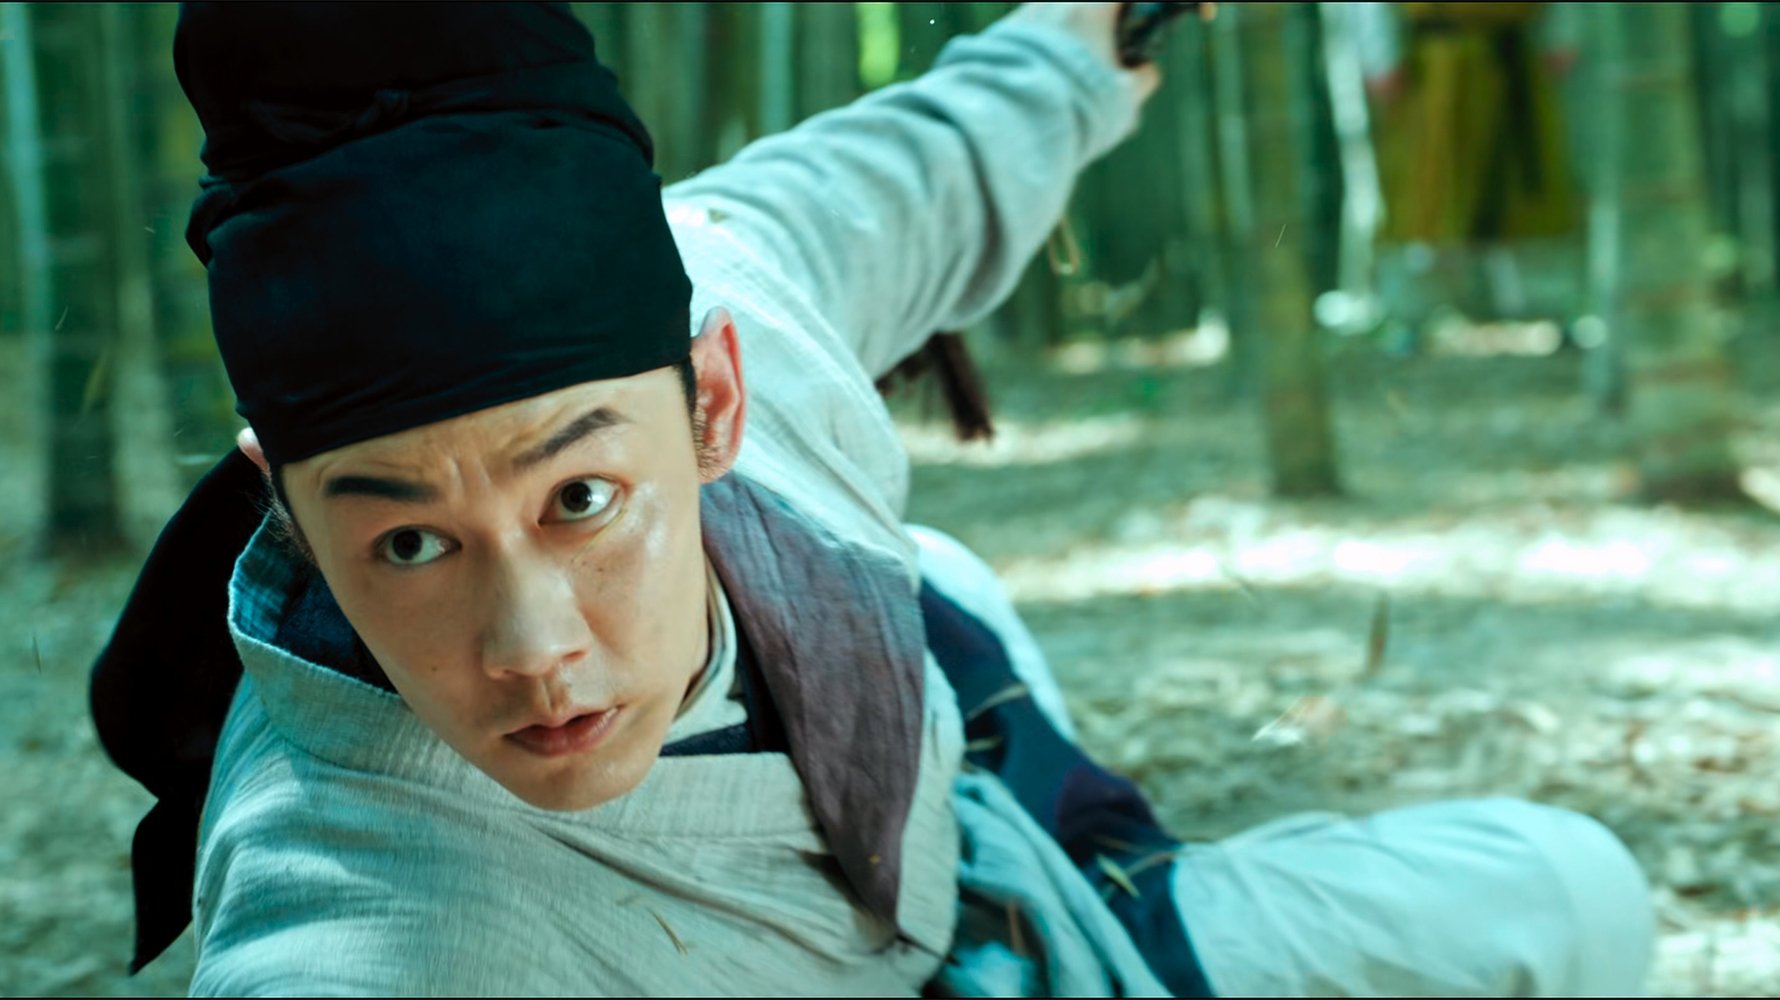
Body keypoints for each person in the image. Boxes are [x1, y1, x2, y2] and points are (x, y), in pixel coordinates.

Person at [90, 2, 1654, 996]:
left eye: (581, 500)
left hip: (1018, 879)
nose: (530, 646)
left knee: (1571, 889)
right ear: (284, 506)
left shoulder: (738, 302)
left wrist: (1084, 39)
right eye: (410, 541)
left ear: (713, 395)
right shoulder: (377, 921)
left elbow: (906, 172)